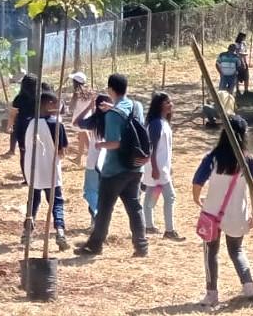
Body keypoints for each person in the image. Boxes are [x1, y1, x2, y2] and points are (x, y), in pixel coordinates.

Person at [75, 74, 149, 257]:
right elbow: (130, 123)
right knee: (134, 206)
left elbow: (115, 143)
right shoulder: (136, 106)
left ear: (110, 90)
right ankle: (141, 246)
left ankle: (95, 245)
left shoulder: (112, 115)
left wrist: (100, 145)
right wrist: (112, 108)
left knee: (105, 208)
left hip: (115, 169)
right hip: (135, 166)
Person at [192, 115, 253, 306]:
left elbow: (197, 182)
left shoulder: (212, 157)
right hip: (237, 213)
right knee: (237, 250)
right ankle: (249, 286)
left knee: (210, 252)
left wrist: (197, 199)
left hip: (212, 211)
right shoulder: (249, 160)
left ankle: (212, 293)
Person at [23, 91, 71, 251]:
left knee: (33, 201)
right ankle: (60, 232)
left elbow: (24, 146)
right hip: (50, 169)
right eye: (57, 103)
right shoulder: (56, 124)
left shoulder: (29, 123)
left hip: (32, 169)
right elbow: (62, 151)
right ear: (49, 104)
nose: (60, 106)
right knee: (56, 202)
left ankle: (27, 232)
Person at [143, 92, 183, 240]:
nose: (171, 104)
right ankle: (169, 230)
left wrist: (168, 165)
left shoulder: (163, 122)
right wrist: (154, 167)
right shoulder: (156, 124)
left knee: (151, 195)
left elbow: (164, 148)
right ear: (159, 105)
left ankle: (148, 225)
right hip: (157, 167)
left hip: (161, 167)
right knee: (170, 196)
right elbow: (151, 148)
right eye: (167, 102)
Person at [75, 93, 112, 225]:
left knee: (89, 192)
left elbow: (76, 123)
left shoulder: (94, 120)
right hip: (108, 162)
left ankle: (97, 215)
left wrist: (88, 107)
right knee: (101, 193)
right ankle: (96, 221)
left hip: (93, 161)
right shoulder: (113, 120)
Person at [9, 74, 39, 160]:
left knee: (23, 152)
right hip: (36, 127)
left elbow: (13, 115)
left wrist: (10, 125)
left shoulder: (18, 98)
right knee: (36, 151)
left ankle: (25, 172)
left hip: (22, 127)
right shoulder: (40, 98)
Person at [66, 72, 93, 159]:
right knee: (82, 136)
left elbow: (71, 107)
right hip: (88, 116)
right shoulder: (90, 91)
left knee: (84, 135)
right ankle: (78, 158)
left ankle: (92, 156)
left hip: (78, 118)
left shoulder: (76, 93)